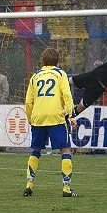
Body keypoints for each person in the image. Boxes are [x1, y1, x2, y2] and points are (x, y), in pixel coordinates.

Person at [23, 48, 77, 197]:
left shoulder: (35, 76)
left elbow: (28, 101)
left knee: (36, 150)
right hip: (56, 117)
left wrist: (30, 118)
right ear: (57, 61)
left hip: (38, 117)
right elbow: (67, 95)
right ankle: (66, 188)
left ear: (43, 60)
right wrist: (72, 116)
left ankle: (29, 185)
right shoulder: (60, 74)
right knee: (65, 149)